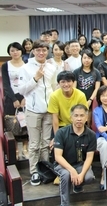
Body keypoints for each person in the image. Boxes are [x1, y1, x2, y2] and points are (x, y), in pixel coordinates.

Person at [19, 40, 57, 186]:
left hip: (48, 110)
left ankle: (45, 168)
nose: (41, 53)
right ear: (33, 51)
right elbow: (21, 90)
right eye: (38, 50)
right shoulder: (26, 68)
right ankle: (34, 171)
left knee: (46, 143)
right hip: (33, 111)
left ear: (47, 52)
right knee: (34, 144)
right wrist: (35, 78)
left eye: (44, 50)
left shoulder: (51, 67)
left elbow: (53, 87)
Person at [54, 104, 96, 206]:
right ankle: (64, 204)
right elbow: (58, 156)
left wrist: (81, 174)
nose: (79, 119)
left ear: (86, 118)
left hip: (80, 164)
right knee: (66, 174)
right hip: (63, 165)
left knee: (89, 177)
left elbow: (89, 157)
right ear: (71, 117)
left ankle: (77, 185)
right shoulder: (61, 132)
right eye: (76, 116)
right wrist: (72, 170)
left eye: (82, 116)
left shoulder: (91, 135)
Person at [1, 42, 29, 159]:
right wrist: (13, 99)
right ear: (9, 53)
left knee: (25, 124)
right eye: (12, 51)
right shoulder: (5, 65)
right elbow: (6, 85)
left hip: (25, 97)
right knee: (12, 124)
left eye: (17, 50)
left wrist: (24, 98)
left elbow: (29, 82)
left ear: (21, 51)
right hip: (11, 98)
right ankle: (16, 149)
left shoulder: (27, 64)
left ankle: (25, 148)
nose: (15, 52)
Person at [48, 70, 88, 144]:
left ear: (73, 82)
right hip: (61, 127)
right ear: (59, 83)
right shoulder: (54, 96)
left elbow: (82, 116)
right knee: (54, 146)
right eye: (63, 82)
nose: (66, 84)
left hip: (76, 125)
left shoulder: (80, 95)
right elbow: (55, 118)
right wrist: (57, 137)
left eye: (69, 81)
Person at [73, 50, 101, 126]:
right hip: (78, 100)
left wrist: (90, 100)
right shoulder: (76, 72)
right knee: (79, 120)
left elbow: (97, 88)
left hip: (91, 101)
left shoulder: (96, 72)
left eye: (89, 58)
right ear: (81, 59)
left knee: (88, 121)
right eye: (84, 58)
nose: (86, 60)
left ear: (92, 60)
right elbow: (74, 88)